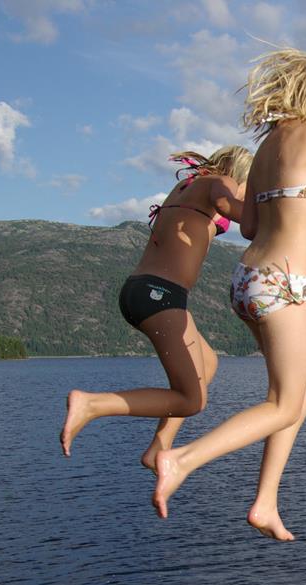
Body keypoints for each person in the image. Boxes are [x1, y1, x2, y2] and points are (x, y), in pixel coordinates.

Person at [153, 48, 306, 540]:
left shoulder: (267, 146)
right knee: (286, 403)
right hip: (282, 285)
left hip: (245, 280)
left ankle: (266, 502)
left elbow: (247, 226)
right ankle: (181, 459)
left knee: (301, 395)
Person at [60, 146, 251, 472]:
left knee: (208, 362)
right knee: (192, 400)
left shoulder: (188, 186)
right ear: (239, 175)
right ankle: (92, 404)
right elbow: (226, 205)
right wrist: (275, 211)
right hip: (160, 294)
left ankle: (159, 447)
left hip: (144, 289)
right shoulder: (219, 183)